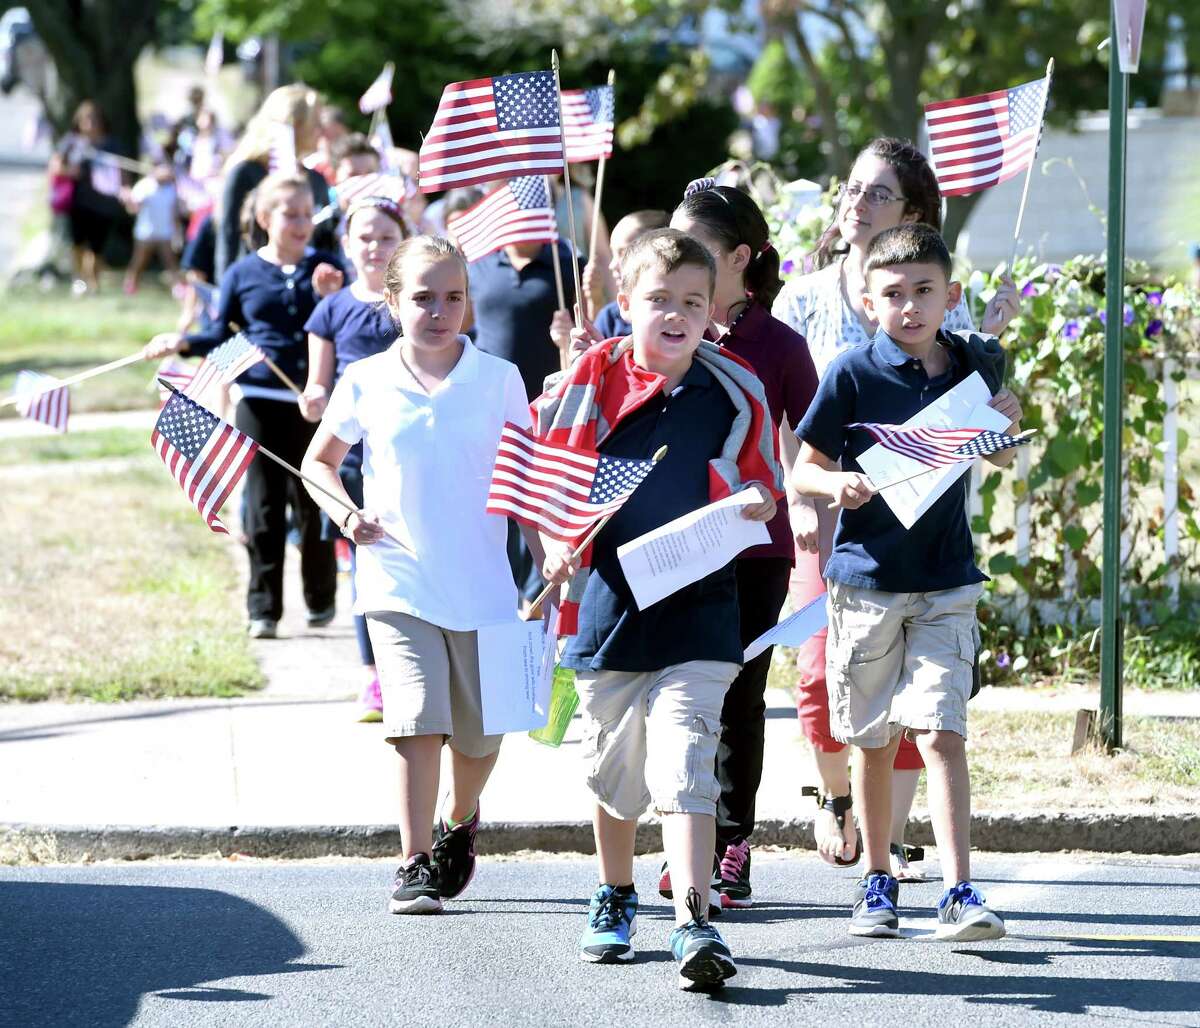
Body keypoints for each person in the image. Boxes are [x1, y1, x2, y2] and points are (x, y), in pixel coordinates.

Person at [537, 228, 783, 989]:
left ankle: (694, 921)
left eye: (691, 302)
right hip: (610, 610)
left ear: (712, 310)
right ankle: (614, 894)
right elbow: (553, 485)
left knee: (686, 762)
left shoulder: (734, 387)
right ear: (625, 304)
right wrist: (555, 545)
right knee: (615, 775)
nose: (675, 316)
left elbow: (763, 479)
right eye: (658, 301)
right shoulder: (592, 378)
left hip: (702, 611)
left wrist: (751, 503)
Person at [772, 137, 1020, 877]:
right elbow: (796, 424)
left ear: (914, 211)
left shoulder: (943, 310)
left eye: (877, 193)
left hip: (930, 536)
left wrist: (997, 379)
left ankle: (903, 848)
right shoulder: (807, 298)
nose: (856, 202)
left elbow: (973, 408)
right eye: (852, 188)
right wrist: (808, 495)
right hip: (835, 529)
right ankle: (836, 800)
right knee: (825, 678)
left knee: (930, 705)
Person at [300, 235, 542, 914]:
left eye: (453, 297)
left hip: (483, 584)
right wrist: (346, 514)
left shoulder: (499, 379)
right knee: (415, 717)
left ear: (468, 303)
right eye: (423, 297)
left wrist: (546, 548)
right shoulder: (367, 380)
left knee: (481, 735)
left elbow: (525, 478)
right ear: (393, 301)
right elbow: (319, 462)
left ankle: (457, 820)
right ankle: (411, 862)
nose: (439, 310)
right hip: (396, 576)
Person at [667, 180, 818, 908]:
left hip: (758, 548)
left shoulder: (782, 346)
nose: (675, 257)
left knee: (739, 701)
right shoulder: (666, 327)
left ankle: (732, 844)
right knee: (678, 698)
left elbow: (816, 441)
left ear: (738, 257)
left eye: (693, 245)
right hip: (675, 543)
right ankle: (683, 840)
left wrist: (816, 501)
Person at [143, 172, 343, 638]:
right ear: (263, 218)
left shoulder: (330, 267)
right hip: (260, 400)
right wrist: (182, 342)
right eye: (289, 214)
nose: (300, 222)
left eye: (306, 213)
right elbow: (219, 335)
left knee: (317, 502)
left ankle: (320, 598)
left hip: (315, 403)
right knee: (264, 508)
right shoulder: (242, 272)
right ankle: (263, 608)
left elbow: (344, 323)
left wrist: (332, 293)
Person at [299, 196, 408, 721]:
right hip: (350, 456)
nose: (374, 246)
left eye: (386, 237)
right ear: (345, 245)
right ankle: (374, 676)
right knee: (369, 565)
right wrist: (314, 396)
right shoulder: (332, 308)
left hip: (406, 453)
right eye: (364, 237)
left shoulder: (415, 306)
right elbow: (318, 378)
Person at [466, 233, 580, 605]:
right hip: (489, 403)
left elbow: (590, 325)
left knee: (537, 504)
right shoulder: (480, 266)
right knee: (496, 500)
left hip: (546, 407)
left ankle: (537, 598)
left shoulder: (565, 266)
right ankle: (502, 593)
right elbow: (462, 325)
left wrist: (568, 338)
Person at [214, 84, 330, 282]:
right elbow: (228, 237)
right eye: (315, 123)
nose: (322, 130)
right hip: (255, 286)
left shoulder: (316, 180)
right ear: (295, 125)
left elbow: (325, 241)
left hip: (306, 286)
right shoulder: (246, 172)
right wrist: (225, 292)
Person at [47, 100, 124, 293]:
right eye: (86, 119)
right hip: (78, 202)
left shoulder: (111, 144)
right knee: (78, 243)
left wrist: (125, 190)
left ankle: (93, 281)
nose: (91, 124)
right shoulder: (71, 142)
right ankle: (80, 281)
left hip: (104, 203)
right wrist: (71, 172)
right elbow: (55, 166)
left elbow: (122, 172)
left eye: (94, 119)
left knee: (97, 246)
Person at [583, 209, 669, 337]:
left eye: (624, 253)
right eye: (613, 253)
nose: (612, 265)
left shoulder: (687, 314)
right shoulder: (610, 318)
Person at [123, 158, 180, 295]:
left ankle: (177, 288)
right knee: (139, 261)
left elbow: (174, 211)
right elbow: (133, 209)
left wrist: (176, 231)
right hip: (145, 232)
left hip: (165, 232)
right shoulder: (144, 186)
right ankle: (131, 285)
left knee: (170, 262)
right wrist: (129, 199)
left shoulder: (171, 188)